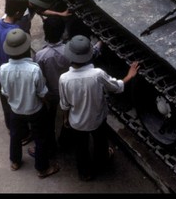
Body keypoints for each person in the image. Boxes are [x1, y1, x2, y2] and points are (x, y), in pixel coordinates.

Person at [59, 35, 139, 181]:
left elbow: (64, 103)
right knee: (100, 140)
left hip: (77, 122)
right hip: (97, 118)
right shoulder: (98, 74)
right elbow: (116, 87)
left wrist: (65, 118)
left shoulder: (64, 78)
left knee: (81, 148)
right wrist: (129, 75)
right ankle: (103, 159)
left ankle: (84, 173)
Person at [0, 29, 60, 178]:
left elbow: (5, 92)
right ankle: (42, 168)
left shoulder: (3, 69)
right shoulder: (34, 70)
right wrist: (47, 103)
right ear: (25, 48)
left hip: (15, 110)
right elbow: (42, 93)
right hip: (35, 110)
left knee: (15, 135)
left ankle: (15, 161)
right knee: (40, 138)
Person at [0, 0, 29, 131]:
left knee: (5, 102)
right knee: (17, 104)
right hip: (11, 77)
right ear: (18, 13)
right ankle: (21, 132)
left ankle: (10, 126)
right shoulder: (16, 33)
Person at [32, 15, 70, 157]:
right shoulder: (69, 50)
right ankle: (65, 141)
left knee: (49, 120)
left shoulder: (41, 55)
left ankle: (51, 145)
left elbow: (39, 75)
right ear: (62, 32)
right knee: (69, 117)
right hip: (67, 91)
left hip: (50, 93)